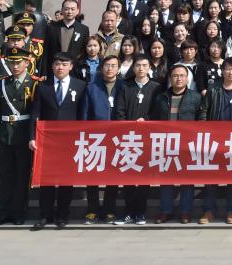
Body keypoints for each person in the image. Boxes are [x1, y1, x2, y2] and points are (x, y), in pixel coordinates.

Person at [29, 52, 88, 230]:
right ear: (52, 66)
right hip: (47, 140)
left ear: (71, 66)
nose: (60, 67)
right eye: (57, 64)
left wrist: (83, 137)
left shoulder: (80, 86)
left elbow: (83, 114)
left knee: (65, 180)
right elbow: (35, 113)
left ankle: (62, 215)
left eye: (64, 64)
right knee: (46, 179)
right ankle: (44, 215)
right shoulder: (43, 86)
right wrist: (32, 137)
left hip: (70, 141)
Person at [197, 57, 232, 224]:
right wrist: (204, 131)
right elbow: (204, 111)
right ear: (222, 70)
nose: (230, 72)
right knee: (211, 176)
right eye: (227, 69)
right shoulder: (213, 89)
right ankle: (209, 210)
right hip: (214, 139)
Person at [0, 46, 36, 226]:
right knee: (5, 175)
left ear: (27, 63)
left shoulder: (34, 83)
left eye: (19, 62)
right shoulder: (2, 82)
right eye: (12, 62)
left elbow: (35, 111)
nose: (15, 66)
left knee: (22, 175)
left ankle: (18, 213)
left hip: (23, 133)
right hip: (5, 133)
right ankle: (3, 213)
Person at [113, 55, 162, 225]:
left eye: (144, 65)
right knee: (128, 175)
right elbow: (119, 110)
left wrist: (147, 120)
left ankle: (140, 212)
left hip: (147, 137)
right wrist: (125, 125)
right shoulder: (125, 86)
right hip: (128, 137)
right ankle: (129, 212)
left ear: (150, 68)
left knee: (144, 176)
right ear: (133, 68)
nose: (141, 68)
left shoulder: (156, 87)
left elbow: (158, 110)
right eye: (138, 65)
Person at [151, 64, 202, 223]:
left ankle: (185, 211)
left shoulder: (196, 97)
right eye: (175, 76)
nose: (178, 79)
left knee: (187, 179)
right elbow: (154, 118)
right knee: (166, 180)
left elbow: (201, 119)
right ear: (170, 78)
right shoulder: (161, 97)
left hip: (187, 144)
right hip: (166, 144)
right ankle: (166, 211)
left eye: (182, 76)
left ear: (187, 79)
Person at [83, 55, 122, 224]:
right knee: (92, 173)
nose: (110, 69)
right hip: (95, 136)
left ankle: (109, 209)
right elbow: (85, 113)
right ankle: (92, 209)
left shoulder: (124, 87)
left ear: (118, 69)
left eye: (113, 66)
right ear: (101, 68)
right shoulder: (92, 87)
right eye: (107, 65)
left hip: (117, 137)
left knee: (113, 174)